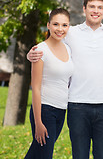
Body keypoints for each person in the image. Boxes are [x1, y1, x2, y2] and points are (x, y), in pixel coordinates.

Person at [27, 0, 103, 159]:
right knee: (79, 155)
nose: (95, 10)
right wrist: (30, 55)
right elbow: (50, 43)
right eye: (92, 6)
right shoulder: (71, 32)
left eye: (100, 7)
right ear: (84, 9)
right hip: (77, 105)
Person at [25, 8, 74, 159]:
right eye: (56, 24)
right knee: (44, 155)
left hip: (61, 111)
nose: (60, 29)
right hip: (45, 111)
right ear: (48, 25)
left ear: (69, 27)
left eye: (64, 25)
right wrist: (38, 122)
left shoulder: (67, 48)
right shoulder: (40, 50)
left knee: (37, 154)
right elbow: (36, 88)